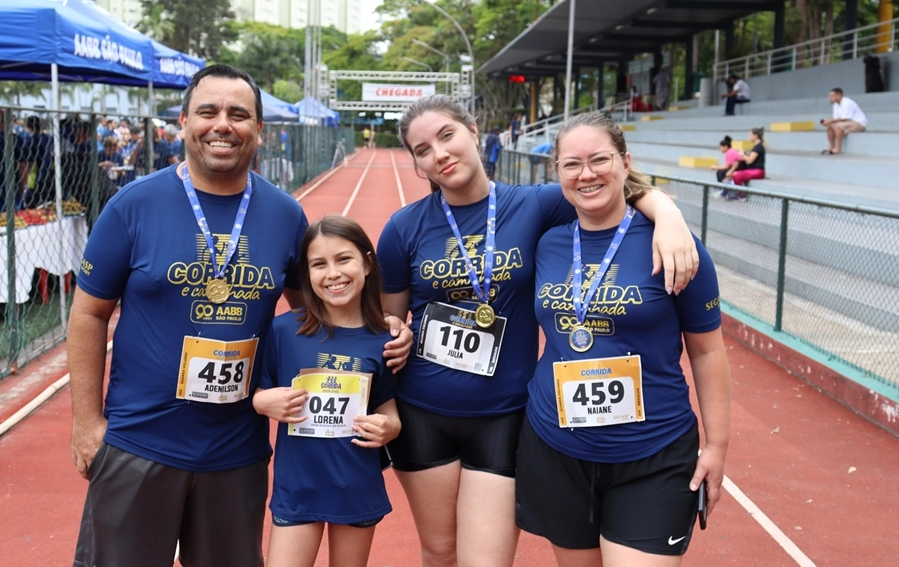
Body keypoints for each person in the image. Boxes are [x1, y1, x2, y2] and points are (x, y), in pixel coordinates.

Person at [68, 64, 411, 567]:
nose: (222, 124)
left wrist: (386, 326)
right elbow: (88, 315)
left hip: (236, 451)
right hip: (140, 442)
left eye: (239, 114)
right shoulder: (132, 206)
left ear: (259, 130)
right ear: (184, 122)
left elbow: (317, 315)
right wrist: (85, 423)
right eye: (207, 111)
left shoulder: (284, 214)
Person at [378, 94, 700, 567]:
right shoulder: (402, 228)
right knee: (439, 552)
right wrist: (394, 331)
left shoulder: (535, 204)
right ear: (417, 164)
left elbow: (607, 185)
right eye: (423, 150)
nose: (440, 153)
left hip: (505, 413)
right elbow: (390, 318)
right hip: (423, 409)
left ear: (473, 130)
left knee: (485, 561)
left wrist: (669, 216)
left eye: (447, 136)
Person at [517, 111, 731, 566]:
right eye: (571, 164)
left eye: (600, 159)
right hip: (557, 449)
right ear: (557, 174)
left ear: (625, 162)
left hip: (653, 453)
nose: (587, 173)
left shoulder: (676, 246)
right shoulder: (546, 242)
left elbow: (708, 352)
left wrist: (717, 447)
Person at [253, 215, 401, 567]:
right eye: (319, 264)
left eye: (344, 259)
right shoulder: (284, 332)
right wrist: (264, 402)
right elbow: (258, 393)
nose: (333, 273)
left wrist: (389, 428)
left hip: (355, 486)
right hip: (297, 487)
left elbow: (388, 410)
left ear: (367, 263)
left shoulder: (385, 341)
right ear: (307, 275)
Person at [821, 87, 867, 155]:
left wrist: (830, 121)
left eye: (832, 96)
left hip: (859, 124)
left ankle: (838, 149)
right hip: (847, 125)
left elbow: (846, 118)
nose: (830, 98)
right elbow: (836, 120)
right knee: (830, 126)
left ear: (839, 95)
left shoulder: (847, 103)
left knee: (838, 126)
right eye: (829, 96)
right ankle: (831, 147)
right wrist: (828, 122)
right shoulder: (835, 105)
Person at [724, 127, 765, 200]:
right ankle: (732, 191)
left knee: (737, 175)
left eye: (750, 135)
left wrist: (742, 154)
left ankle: (741, 195)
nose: (749, 136)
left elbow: (750, 160)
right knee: (732, 174)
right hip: (753, 170)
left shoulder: (758, 147)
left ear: (756, 136)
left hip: (758, 171)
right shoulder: (756, 147)